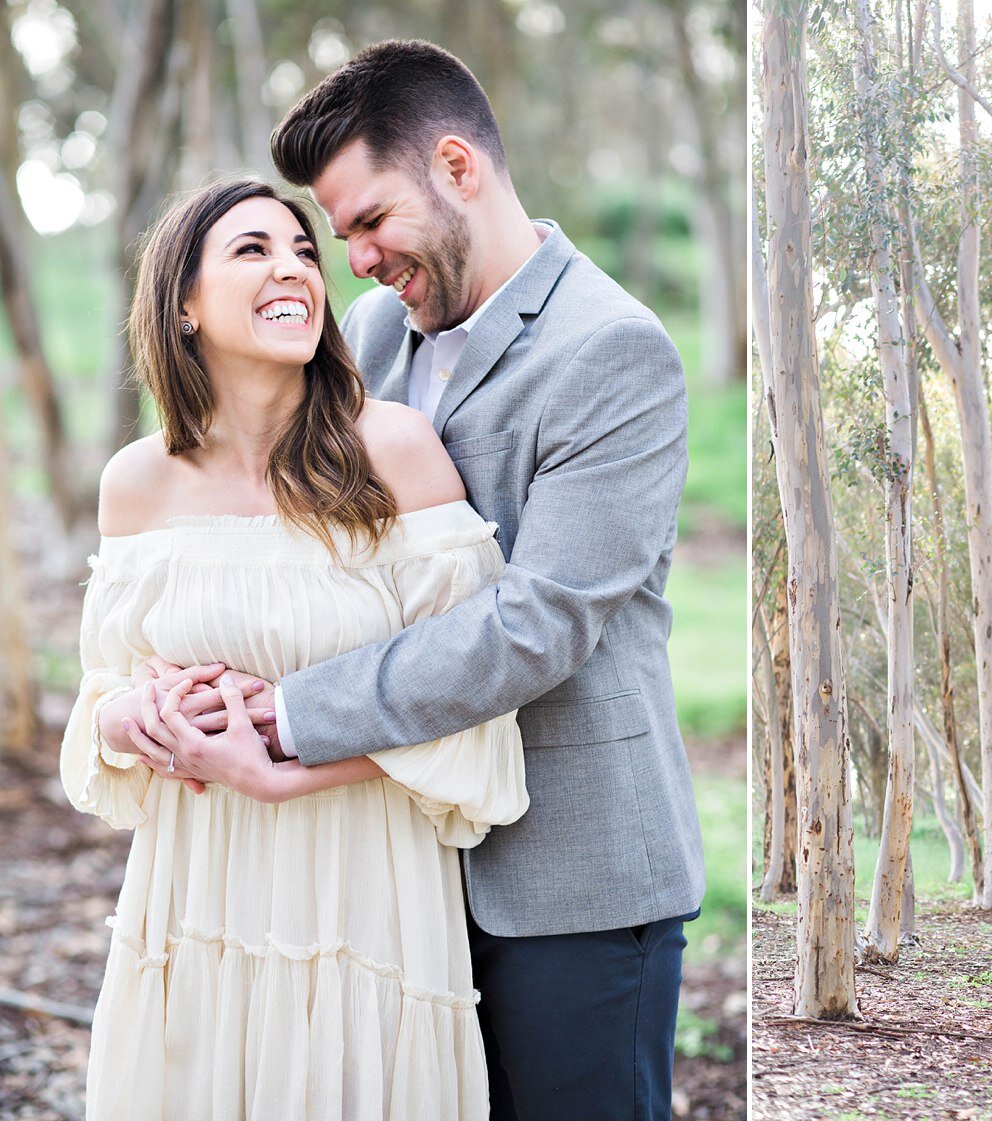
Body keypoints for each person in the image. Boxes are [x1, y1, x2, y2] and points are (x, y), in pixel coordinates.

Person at [104, 40, 706, 1121]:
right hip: (385, 871)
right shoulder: (374, 335)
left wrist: (286, 713)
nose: (358, 260)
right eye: (339, 237)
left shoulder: (613, 350)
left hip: (564, 872)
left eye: (370, 221)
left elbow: (540, 622)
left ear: (458, 167)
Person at [63, 179, 528, 1119]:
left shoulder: (393, 452)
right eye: (251, 250)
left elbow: (476, 700)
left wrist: (278, 767)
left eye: (304, 250)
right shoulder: (137, 484)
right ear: (182, 304)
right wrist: (139, 716)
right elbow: (100, 700)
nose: (293, 269)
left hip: (364, 893)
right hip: (193, 894)